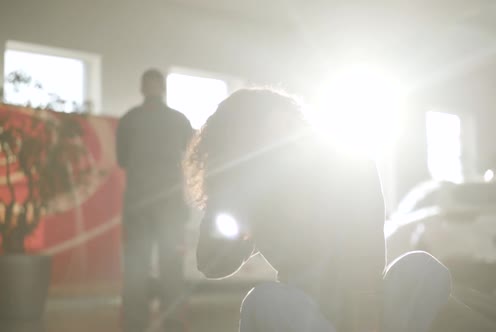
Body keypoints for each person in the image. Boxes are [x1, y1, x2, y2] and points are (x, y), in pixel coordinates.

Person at [184, 88, 451, 332]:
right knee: (263, 300)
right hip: (304, 312)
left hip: (369, 303)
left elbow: (366, 255)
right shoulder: (255, 192)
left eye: (289, 123)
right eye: (273, 129)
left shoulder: (352, 163)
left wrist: (367, 321)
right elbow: (212, 263)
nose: (286, 135)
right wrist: (230, 194)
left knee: (422, 267)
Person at [116, 69, 194, 332]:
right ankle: (172, 322)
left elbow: (121, 160)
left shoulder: (129, 120)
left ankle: (134, 323)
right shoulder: (179, 120)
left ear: (142, 88)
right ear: (163, 88)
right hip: (170, 203)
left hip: (138, 203)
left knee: (136, 264)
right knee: (171, 263)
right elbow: (192, 157)